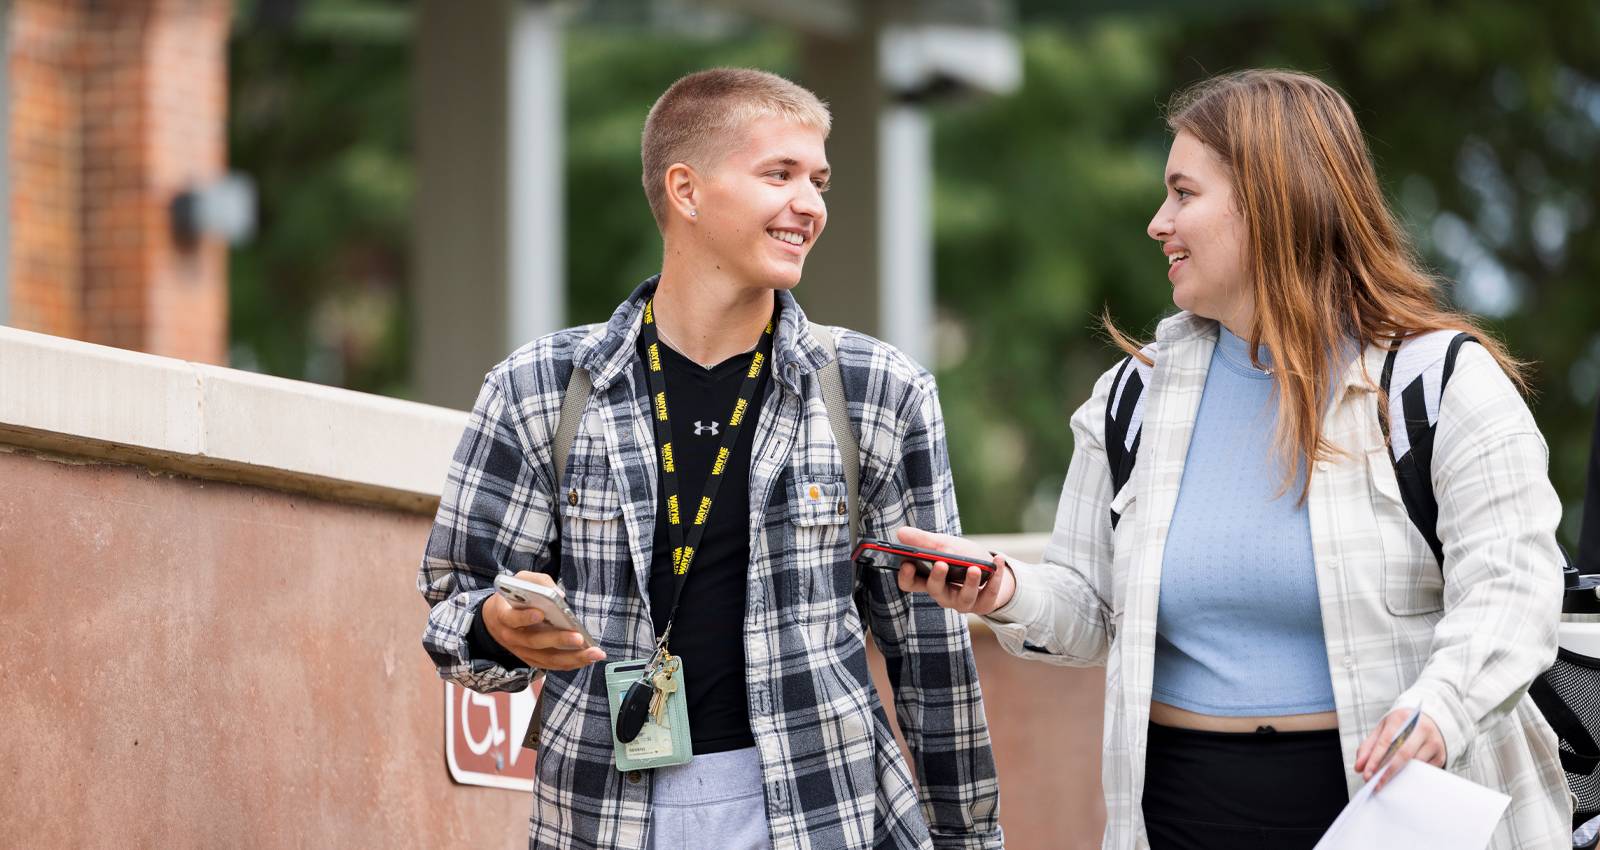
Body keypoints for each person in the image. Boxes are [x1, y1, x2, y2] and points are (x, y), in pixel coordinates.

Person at [895, 69, 1569, 849]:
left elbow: (1515, 587)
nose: (1158, 222)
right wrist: (1004, 589)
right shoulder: (1131, 396)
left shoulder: (1439, 382)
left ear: (1274, 201)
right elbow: (1091, 611)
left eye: (1184, 193)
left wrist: (1442, 706)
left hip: (1394, 813)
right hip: (1182, 815)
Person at [418, 68, 1003, 850]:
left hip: (822, 809)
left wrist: (970, 839)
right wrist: (498, 624)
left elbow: (932, 655)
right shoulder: (540, 389)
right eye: (780, 174)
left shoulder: (877, 393)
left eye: (819, 180)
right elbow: (453, 609)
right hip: (604, 816)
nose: (812, 204)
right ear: (686, 191)